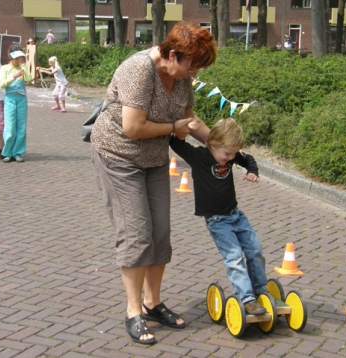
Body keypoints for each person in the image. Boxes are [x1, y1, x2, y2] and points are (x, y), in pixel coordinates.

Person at [90, 21, 217, 345]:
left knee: (160, 233)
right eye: (193, 66)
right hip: (119, 156)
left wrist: (220, 147)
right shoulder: (139, 70)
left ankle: (152, 303)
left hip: (154, 160)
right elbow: (133, 127)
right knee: (136, 232)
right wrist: (174, 126)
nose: (195, 74)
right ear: (173, 55)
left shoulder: (181, 77)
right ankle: (133, 311)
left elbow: (190, 120)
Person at [169, 118, 268, 317]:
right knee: (234, 257)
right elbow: (174, 142)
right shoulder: (198, 156)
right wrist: (187, 130)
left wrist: (252, 171)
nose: (231, 158)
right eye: (227, 154)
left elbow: (248, 159)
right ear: (212, 145)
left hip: (236, 215)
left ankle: (260, 291)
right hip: (217, 220)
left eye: (233, 153)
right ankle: (246, 298)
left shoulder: (231, 155)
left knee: (255, 250)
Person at [0, 44, 32, 163]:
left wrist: (24, 66)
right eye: (16, 58)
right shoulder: (5, 68)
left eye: (20, 57)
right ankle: (7, 152)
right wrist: (14, 76)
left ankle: (18, 152)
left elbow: (29, 79)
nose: (18, 60)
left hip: (22, 99)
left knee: (21, 127)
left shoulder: (22, 67)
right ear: (10, 57)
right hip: (10, 99)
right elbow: (2, 84)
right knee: (10, 127)